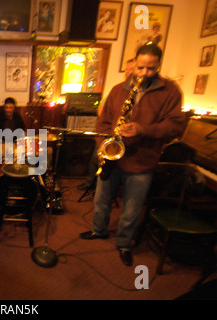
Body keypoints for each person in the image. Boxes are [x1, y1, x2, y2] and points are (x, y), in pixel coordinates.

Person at [79, 44, 187, 266]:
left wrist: (143, 130)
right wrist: (102, 146)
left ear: (158, 66)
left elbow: (176, 127)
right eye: (140, 67)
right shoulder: (119, 90)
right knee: (101, 200)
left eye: (150, 68)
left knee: (132, 208)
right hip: (113, 157)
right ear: (134, 64)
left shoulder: (171, 92)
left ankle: (124, 244)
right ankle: (99, 231)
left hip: (142, 161)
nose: (143, 73)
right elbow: (104, 123)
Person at [77, 58, 135, 192]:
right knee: (95, 159)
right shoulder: (117, 90)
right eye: (127, 70)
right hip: (109, 136)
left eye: (131, 70)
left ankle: (103, 186)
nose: (128, 73)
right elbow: (102, 109)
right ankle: (91, 183)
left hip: (126, 141)